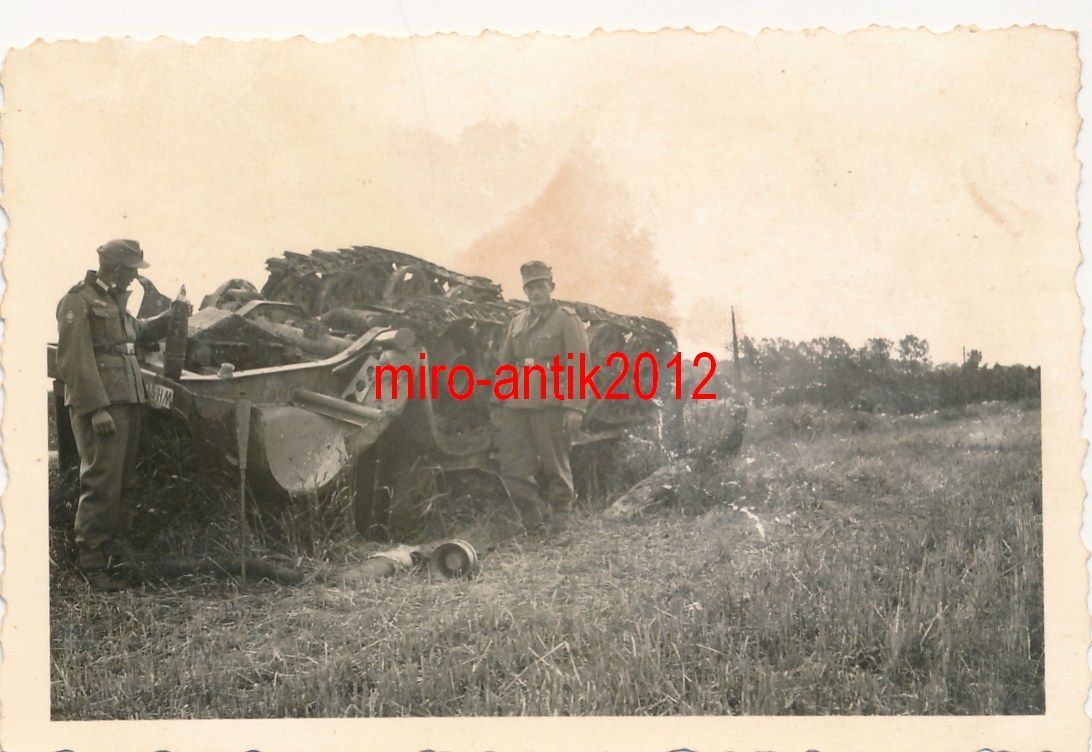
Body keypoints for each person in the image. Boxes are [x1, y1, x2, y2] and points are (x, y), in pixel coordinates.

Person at [55, 239, 189, 590]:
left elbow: (138, 332)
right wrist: (96, 409)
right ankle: (92, 562)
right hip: (103, 407)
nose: (133, 277)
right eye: (130, 271)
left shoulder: (114, 303)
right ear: (113, 268)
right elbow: (74, 360)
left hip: (128, 401)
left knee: (124, 482)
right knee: (101, 482)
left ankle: (116, 556)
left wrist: (174, 314)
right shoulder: (78, 300)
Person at [496, 260, 590, 533]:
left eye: (540, 286)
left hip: (551, 403)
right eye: (530, 287)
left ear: (552, 286)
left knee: (555, 465)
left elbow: (579, 365)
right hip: (517, 403)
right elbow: (505, 365)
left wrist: (575, 406)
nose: (536, 292)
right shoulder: (517, 322)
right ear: (525, 291)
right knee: (513, 467)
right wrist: (497, 402)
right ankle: (532, 522)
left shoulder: (567, 320)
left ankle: (562, 520)